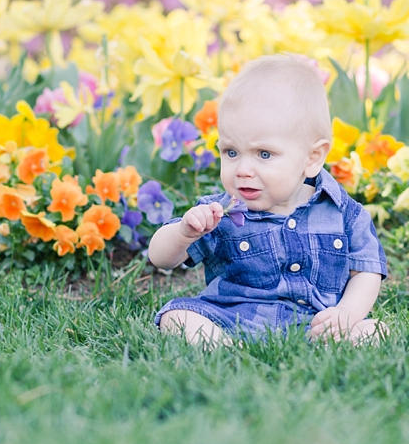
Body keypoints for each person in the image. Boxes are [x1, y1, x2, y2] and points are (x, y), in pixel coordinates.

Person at [148, 54, 388, 348]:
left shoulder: (343, 213)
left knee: (375, 331)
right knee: (177, 316)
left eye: (264, 154)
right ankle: (225, 348)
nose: (243, 170)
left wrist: (346, 314)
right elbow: (160, 258)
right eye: (231, 152)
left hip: (315, 323)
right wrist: (184, 233)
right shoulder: (219, 213)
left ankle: (328, 342)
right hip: (233, 318)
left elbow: (366, 270)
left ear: (312, 158)